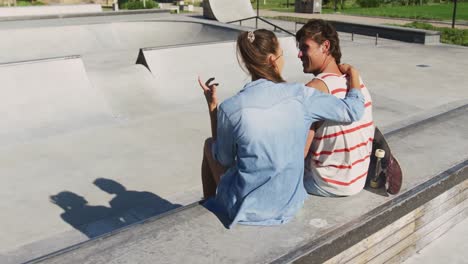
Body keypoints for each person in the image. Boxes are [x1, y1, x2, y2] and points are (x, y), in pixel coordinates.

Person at [198, 29, 365, 227]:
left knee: (210, 145)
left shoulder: (230, 108)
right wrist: (353, 73)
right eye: (282, 55)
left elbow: (223, 159)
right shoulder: (302, 96)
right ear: (272, 60)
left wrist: (213, 108)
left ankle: (207, 211)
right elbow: (352, 111)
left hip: (247, 211)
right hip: (289, 205)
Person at [296, 19, 374, 197]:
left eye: (305, 48)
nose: (299, 55)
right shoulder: (357, 83)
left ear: (325, 46)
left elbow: (299, 152)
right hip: (358, 179)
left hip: (326, 183)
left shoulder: (314, 89)